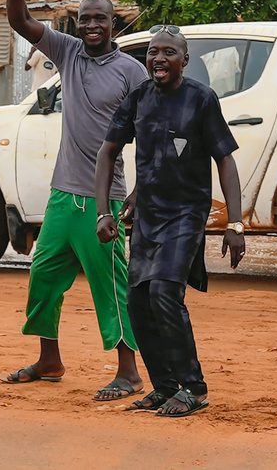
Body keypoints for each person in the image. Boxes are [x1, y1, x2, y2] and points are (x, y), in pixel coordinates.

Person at [0, 0, 146, 402]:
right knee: (43, 276)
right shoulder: (68, 52)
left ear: (113, 23)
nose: (91, 26)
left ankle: (129, 372)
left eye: (100, 18)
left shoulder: (132, 72)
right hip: (63, 195)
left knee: (109, 285)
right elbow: (19, 20)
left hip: (103, 200)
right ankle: (49, 360)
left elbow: (154, 136)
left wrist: (138, 193)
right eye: (84, 19)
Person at [96, 26, 244, 417]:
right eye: (153, 53)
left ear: (184, 60)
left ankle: (193, 387)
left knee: (164, 293)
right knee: (138, 300)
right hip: (146, 215)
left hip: (186, 213)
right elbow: (107, 152)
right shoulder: (139, 98)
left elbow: (225, 160)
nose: (158, 58)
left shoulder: (201, 99)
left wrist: (237, 222)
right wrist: (102, 212)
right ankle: (163, 386)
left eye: (168, 53)